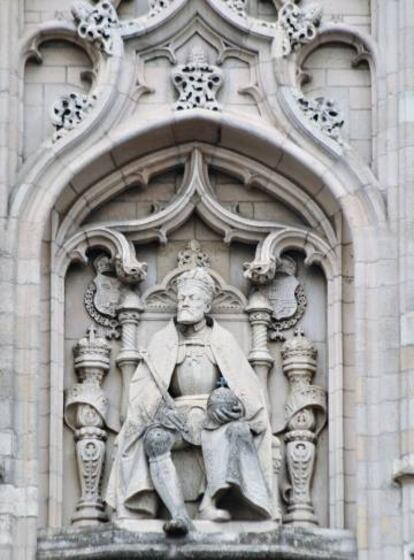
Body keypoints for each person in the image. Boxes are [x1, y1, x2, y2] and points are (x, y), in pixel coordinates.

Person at [106, 267, 273, 535]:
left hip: (212, 419)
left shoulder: (223, 341)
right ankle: (179, 515)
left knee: (238, 430)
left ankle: (210, 503)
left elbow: (248, 391)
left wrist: (233, 407)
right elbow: (142, 394)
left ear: (207, 304)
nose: (184, 302)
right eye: (182, 298)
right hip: (177, 418)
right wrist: (159, 412)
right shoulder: (162, 341)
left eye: (192, 298)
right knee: (155, 439)